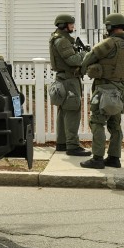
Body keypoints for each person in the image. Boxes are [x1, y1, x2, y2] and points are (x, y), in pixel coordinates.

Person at [79, 13, 124, 169]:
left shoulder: (109, 43)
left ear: (110, 27)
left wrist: (83, 68)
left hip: (105, 89)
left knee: (97, 122)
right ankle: (114, 157)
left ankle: (97, 158)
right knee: (115, 125)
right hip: (120, 89)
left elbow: (89, 58)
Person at [49, 14, 91, 156]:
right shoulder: (62, 41)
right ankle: (72, 145)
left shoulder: (58, 38)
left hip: (63, 79)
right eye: (71, 24)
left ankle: (62, 143)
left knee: (63, 112)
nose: (73, 27)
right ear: (63, 25)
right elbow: (73, 60)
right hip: (69, 80)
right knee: (73, 111)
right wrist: (84, 54)